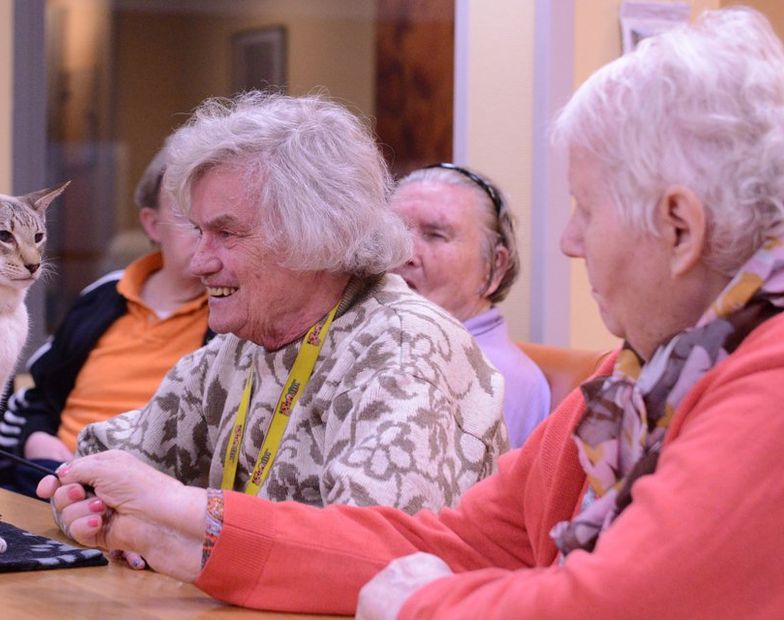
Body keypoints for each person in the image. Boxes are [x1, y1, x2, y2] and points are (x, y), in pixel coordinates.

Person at [40, 8, 784, 617]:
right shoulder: (636, 376)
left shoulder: (767, 384)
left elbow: (611, 605)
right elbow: (458, 541)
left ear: (681, 230)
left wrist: (416, 603)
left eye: (587, 210)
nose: (568, 241)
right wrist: (200, 535)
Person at [69, 92, 507, 520]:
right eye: (198, 231)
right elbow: (98, 466)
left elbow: (368, 551)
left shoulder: (407, 349)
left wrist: (178, 512)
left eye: (227, 234)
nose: (200, 262)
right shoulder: (246, 342)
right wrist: (85, 500)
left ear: (317, 235)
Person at [0, 144, 212, 496]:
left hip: (154, 490)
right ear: (153, 226)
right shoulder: (105, 297)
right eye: (187, 215)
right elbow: (39, 394)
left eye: (216, 217)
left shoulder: (232, 315)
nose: (204, 230)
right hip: (53, 475)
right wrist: (36, 438)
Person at [390, 165, 551, 447]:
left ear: (495, 266)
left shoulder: (495, 379)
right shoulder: (390, 342)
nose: (405, 252)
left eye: (435, 235)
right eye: (394, 230)